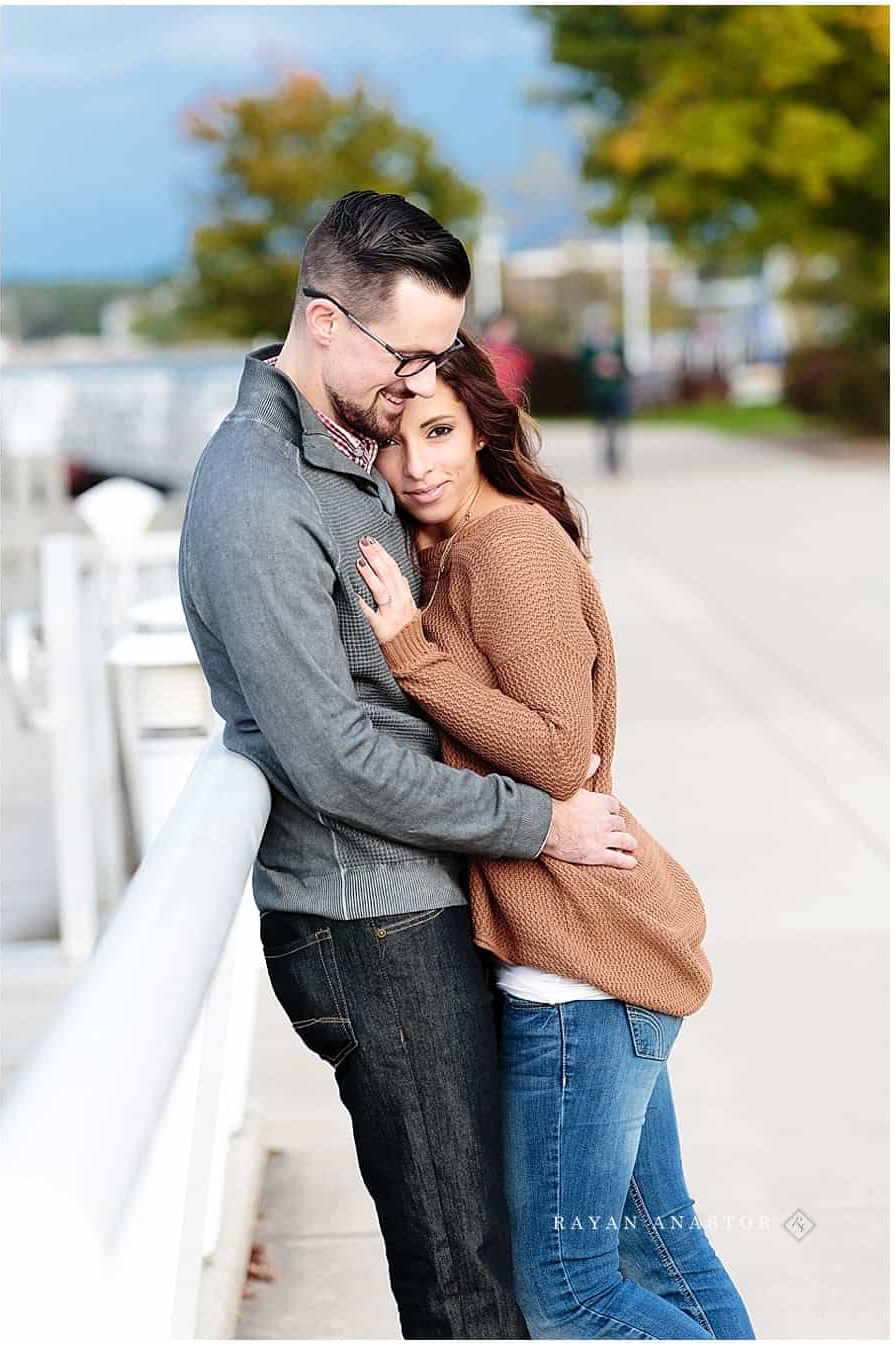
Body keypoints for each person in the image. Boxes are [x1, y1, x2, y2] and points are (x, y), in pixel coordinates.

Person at [178, 190, 641, 1340]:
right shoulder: (257, 497)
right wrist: (541, 822)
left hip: (424, 902)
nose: (424, 380)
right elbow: (333, 759)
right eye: (412, 355)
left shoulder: (349, 447)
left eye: (443, 353)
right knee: (465, 1284)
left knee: (516, 1257)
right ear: (325, 320)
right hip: (366, 928)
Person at [356, 332, 757, 1340]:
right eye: (395, 442)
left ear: (484, 426)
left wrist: (410, 651)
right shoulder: (466, 548)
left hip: (575, 984)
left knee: (571, 1293)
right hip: (594, 968)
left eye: (441, 431)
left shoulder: (511, 549)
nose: (419, 465)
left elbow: (554, 751)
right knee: (657, 1252)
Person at [578, 308, 631, 475]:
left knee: (615, 426)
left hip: (615, 391)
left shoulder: (617, 343)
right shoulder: (588, 347)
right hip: (598, 393)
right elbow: (582, 368)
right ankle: (606, 456)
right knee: (602, 425)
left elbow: (625, 366)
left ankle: (614, 457)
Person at [482, 312, 533, 406]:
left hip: (509, 405)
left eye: (509, 329)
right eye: (501, 328)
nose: (504, 333)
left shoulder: (518, 357)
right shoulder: (481, 352)